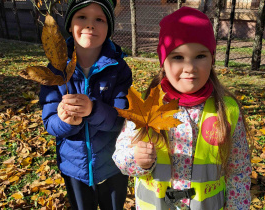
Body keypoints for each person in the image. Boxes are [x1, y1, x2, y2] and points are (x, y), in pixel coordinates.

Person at [112, 6, 251, 210]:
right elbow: (121, 157)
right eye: (177, 57)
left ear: (212, 58)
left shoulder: (227, 110)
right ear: (163, 61)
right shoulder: (147, 108)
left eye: (200, 56)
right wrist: (137, 159)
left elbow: (238, 171)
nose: (189, 67)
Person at [39, 0, 132, 209]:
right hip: (74, 168)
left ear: (108, 29)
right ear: (70, 26)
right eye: (82, 17)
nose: (90, 25)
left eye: (99, 19)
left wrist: (93, 110)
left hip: (112, 165)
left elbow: (122, 118)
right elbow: (49, 122)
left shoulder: (119, 69)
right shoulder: (56, 70)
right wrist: (65, 122)